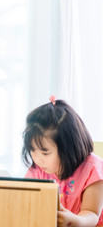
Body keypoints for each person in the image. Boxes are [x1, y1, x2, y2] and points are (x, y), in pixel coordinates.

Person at [22, 95, 103, 227]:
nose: (37, 158)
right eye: (32, 150)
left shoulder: (93, 169)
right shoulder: (37, 170)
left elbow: (92, 214)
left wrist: (73, 221)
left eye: (45, 152)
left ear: (68, 148)